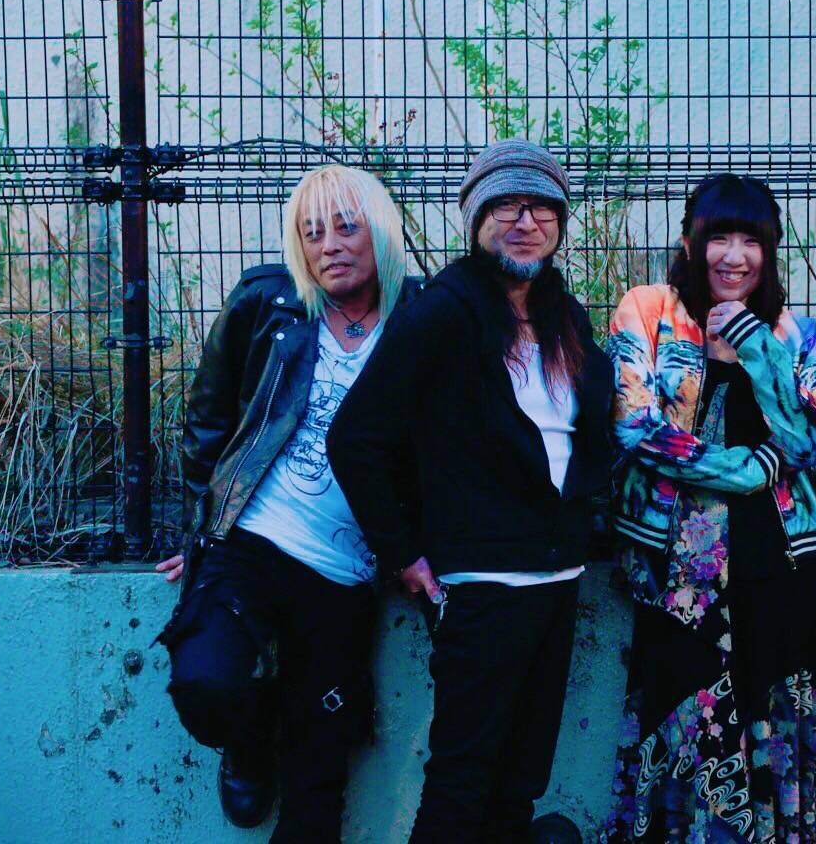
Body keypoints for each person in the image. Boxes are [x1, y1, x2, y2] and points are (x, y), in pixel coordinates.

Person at [326, 139, 614, 842]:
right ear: (477, 219)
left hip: (557, 578)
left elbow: (582, 434)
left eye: (542, 207)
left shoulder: (564, 318)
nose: (526, 221)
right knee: (463, 778)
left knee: (521, 779)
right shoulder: (443, 312)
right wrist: (403, 552)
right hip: (481, 585)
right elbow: (356, 438)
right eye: (506, 206)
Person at [153, 164, 419, 840]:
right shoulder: (268, 303)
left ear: (381, 232)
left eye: (346, 227)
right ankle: (250, 739)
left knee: (318, 783)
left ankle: (294, 731)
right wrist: (200, 527)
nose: (328, 245)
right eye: (312, 232)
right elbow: (209, 422)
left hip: (345, 573)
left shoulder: (422, 318)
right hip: (251, 541)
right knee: (206, 684)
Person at [601, 173, 816, 842]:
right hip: (679, 575)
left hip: (778, 565)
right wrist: (745, 470)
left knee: (778, 725)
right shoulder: (648, 310)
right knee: (686, 722)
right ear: (689, 243)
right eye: (719, 238)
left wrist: (756, 345)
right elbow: (634, 424)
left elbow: (815, 438)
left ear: (770, 251)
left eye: (751, 241)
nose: (735, 257)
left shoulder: (795, 333)